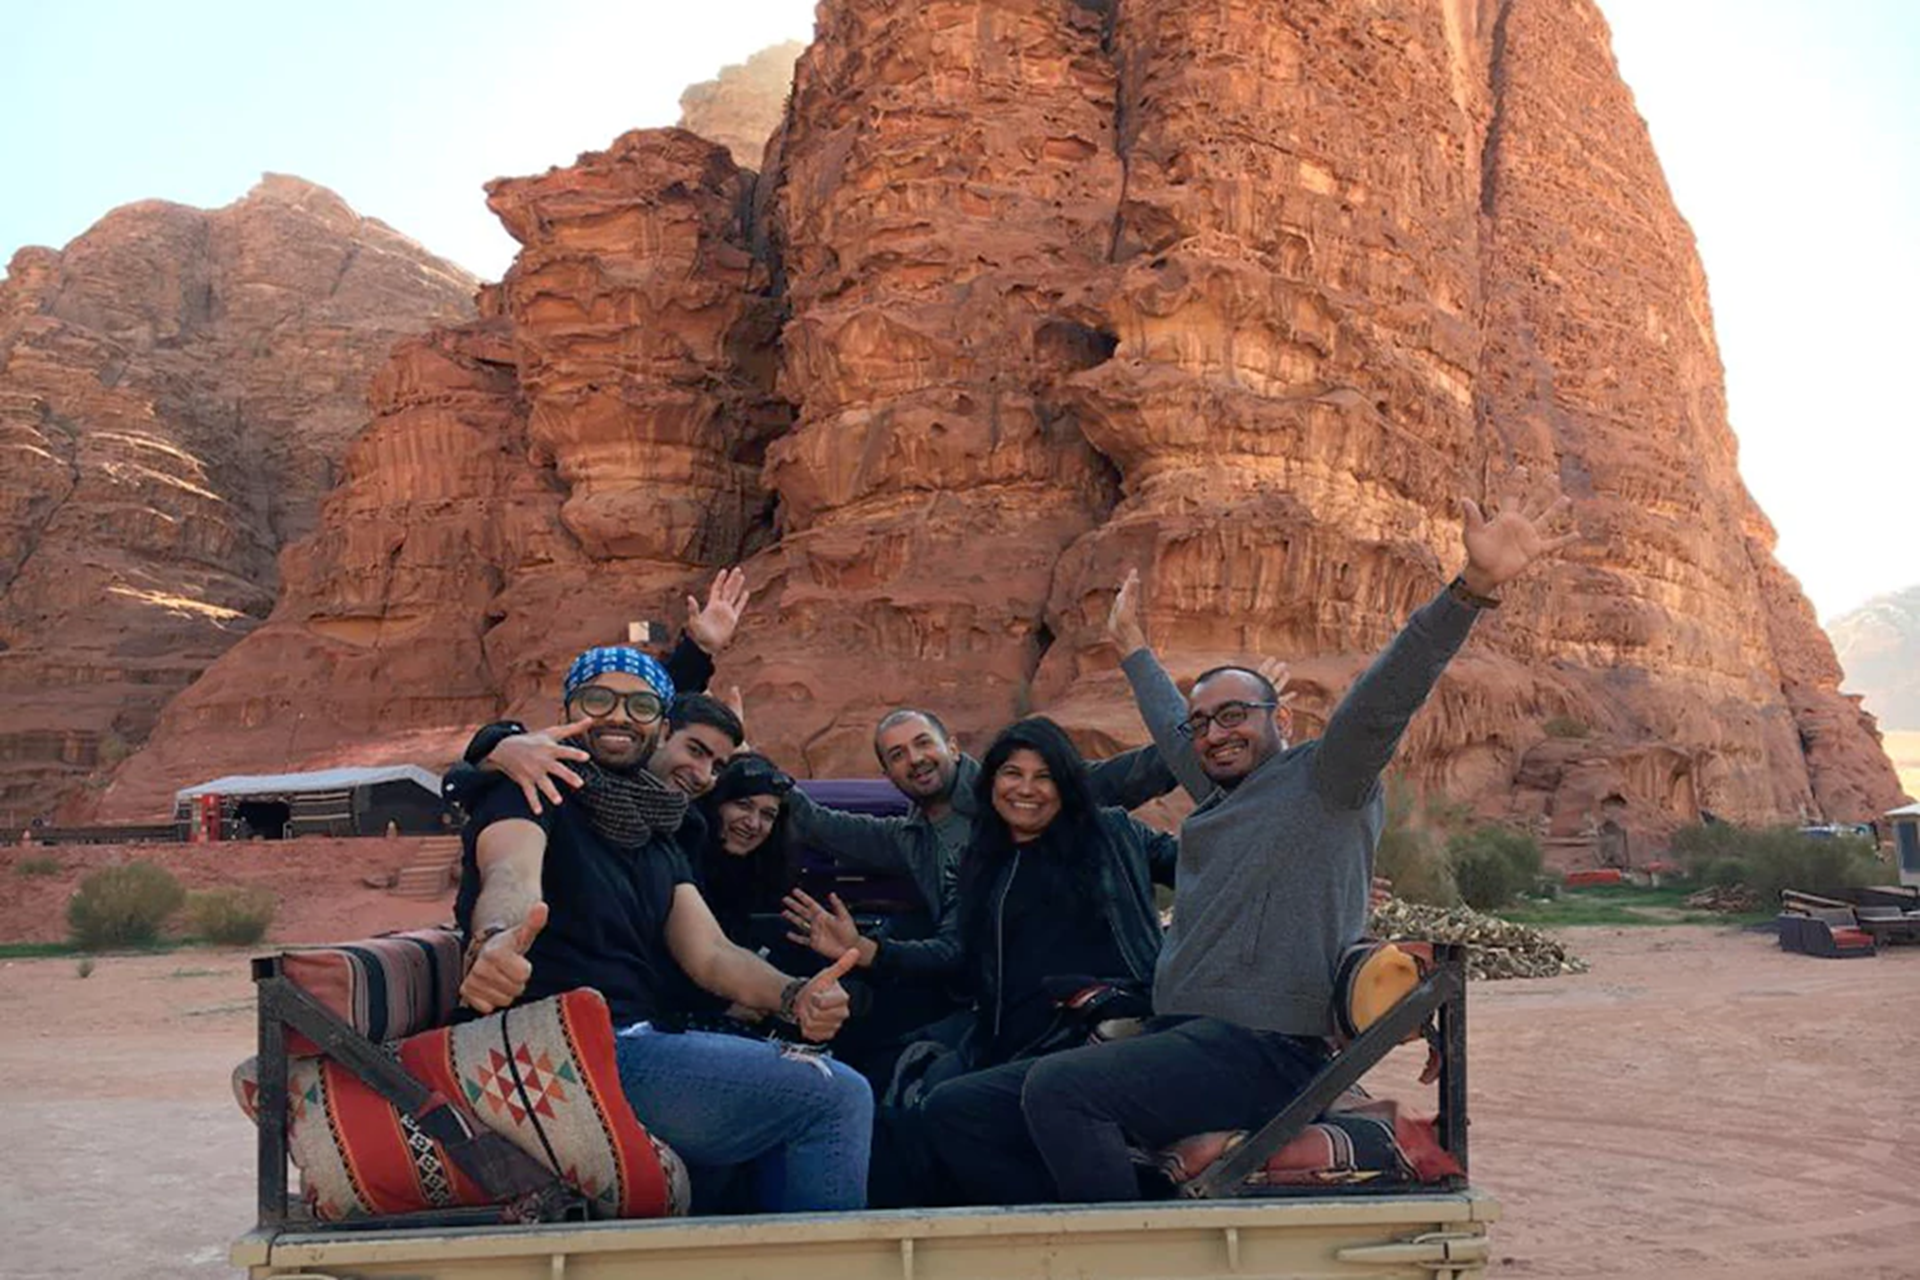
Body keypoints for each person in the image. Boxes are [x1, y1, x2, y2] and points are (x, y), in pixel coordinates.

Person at [905, 472, 1577, 1204]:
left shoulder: (1326, 783)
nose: (1215, 734)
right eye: (1205, 725)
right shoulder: (1221, 794)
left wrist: (1469, 590)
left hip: (1263, 1052)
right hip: (1182, 1036)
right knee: (955, 1110)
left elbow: (1386, 698)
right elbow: (1172, 724)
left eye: (1235, 716)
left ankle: (1132, 1256)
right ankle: (1083, 1218)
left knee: (1064, 1092)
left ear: (1278, 718)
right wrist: (1132, 648)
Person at [454, 644, 873, 1213]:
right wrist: (495, 942)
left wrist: (795, 995)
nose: (621, 716)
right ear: (572, 707)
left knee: (785, 1100)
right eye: (600, 699)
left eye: (641, 705)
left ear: (660, 722)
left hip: (628, 1039)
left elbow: (711, 955)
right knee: (838, 1097)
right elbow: (509, 872)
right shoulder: (533, 788)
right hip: (563, 1045)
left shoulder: (659, 830)